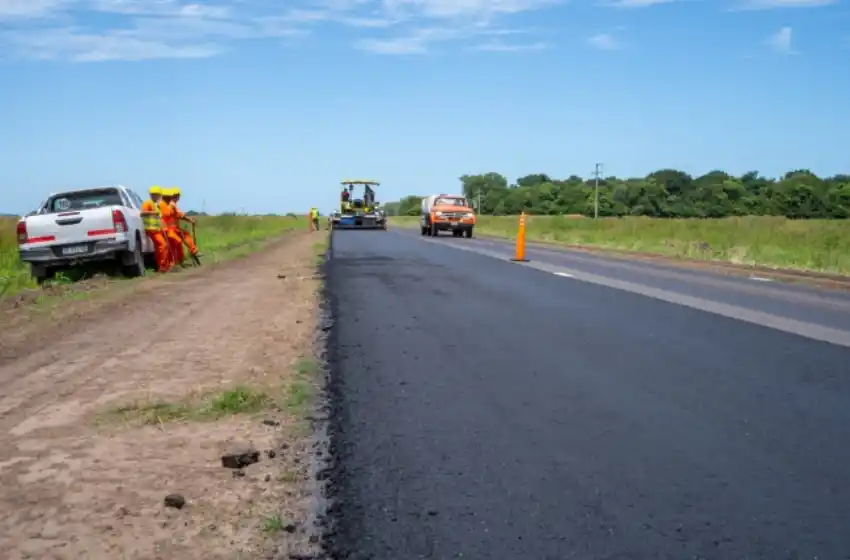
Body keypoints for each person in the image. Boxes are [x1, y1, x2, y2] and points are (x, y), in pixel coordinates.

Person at [141, 186, 171, 272]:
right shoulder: (147, 203)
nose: (160, 197)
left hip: (157, 229)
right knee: (163, 246)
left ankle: (161, 266)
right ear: (154, 195)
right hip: (151, 229)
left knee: (160, 248)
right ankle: (162, 266)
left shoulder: (156, 205)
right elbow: (142, 213)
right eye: (159, 195)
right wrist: (154, 212)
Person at [170, 187, 201, 259]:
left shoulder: (171, 204)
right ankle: (194, 251)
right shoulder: (172, 205)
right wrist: (190, 220)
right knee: (186, 235)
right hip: (172, 228)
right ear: (177, 196)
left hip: (172, 227)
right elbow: (181, 215)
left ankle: (181, 258)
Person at [159, 188, 185, 266]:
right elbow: (166, 214)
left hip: (170, 228)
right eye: (170, 197)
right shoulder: (163, 204)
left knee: (174, 246)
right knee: (174, 244)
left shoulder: (169, 204)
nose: (172, 199)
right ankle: (171, 263)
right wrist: (171, 207)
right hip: (166, 229)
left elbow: (177, 214)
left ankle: (175, 262)